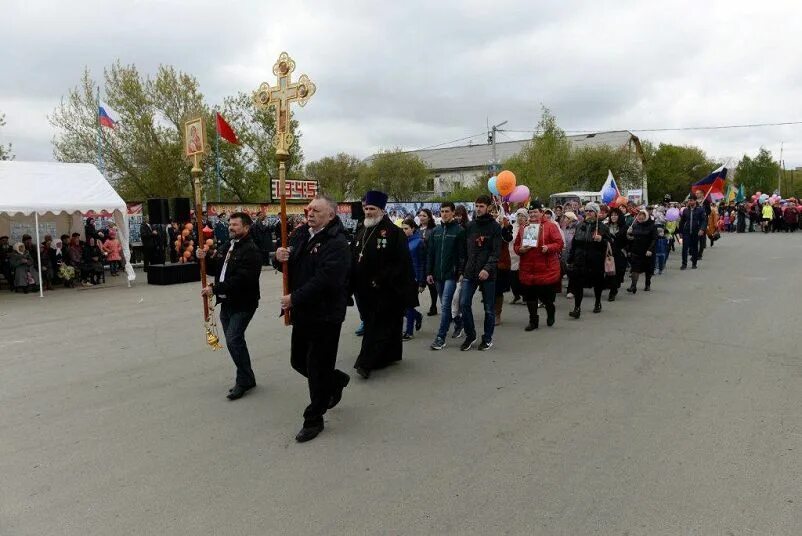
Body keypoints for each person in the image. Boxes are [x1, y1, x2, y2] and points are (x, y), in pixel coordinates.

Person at [274, 195, 352, 443]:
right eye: (309, 209)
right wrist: (278, 258)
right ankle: (336, 380)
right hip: (304, 313)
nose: (310, 213)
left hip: (325, 314)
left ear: (330, 215)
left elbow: (326, 280)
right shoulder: (300, 235)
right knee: (298, 361)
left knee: (317, 368)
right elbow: (289, 266)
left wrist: (294, 298)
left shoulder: (337, 243)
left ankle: (314, 418)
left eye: (317, 211)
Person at [350, 191, 416, 379]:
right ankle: (390, 355)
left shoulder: (394, 233)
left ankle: (365, 363)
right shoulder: (362, 230)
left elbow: (400, 263)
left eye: (372, 209)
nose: (368, 212)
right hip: (363, 289)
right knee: (386, 326)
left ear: (382, 210)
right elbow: (355, 256)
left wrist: (380, 278)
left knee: (375, 326)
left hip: (386, 290)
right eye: (366, 208)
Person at [198, 212, 263, 400]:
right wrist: (203, 257)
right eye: (230, 224)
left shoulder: (251, 250)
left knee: (234, 339)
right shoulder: (228, 246)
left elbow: (242, 280)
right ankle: (248, 377)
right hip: (226, 302)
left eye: (235, 225)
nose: (231, 228)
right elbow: (214, 269)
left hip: (243, 303)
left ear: (246, 227)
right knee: (235, 341)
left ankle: (243, 381)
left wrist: (214, 289)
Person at [459, 195, 502, 351]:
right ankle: (470, 335)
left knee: (489, 309)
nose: (478, 209)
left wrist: (487, 268)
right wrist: (462, 270)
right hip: (470, 272)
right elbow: (465, 251)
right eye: (476, 206)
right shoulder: (470, 226)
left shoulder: (495, 227)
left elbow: (496, 252)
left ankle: (487, 338)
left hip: (487, 274)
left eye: (481, 206)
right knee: (464, 304)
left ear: (488, 207)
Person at [514, 201, 563, 331]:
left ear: (541, 212)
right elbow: (516, 246)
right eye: (530, 212)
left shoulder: (550, 226)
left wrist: (548, 247)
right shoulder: (524, 227)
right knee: (530, 298)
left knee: (546, 298)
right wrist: (521, 249)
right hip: (528, 268)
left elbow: (559, 243)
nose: (533, 214)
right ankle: (533, 321)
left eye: (535, 211)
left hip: (545, 269)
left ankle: (550, 311)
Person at [426, 202, 465, 351]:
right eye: (442, 211)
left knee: (445, 304)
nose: (444, 214)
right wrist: (429, 272)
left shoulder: (459, 231)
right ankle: (459, 322)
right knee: (445, 304)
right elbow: (431, 254)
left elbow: (462, 254)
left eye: (447, 211)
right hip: (437, 274)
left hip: (451, 274)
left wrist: (460, 272)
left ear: (453, 212)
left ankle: (440, 337)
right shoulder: (435, 231)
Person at [566, 202, 610, 318]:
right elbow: (574, 243)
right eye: (586, 211)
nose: (588, 213)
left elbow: (609, 244)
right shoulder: (580, 225)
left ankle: (597, 302)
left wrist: (601, 239)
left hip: (595, 260)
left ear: (596, 213)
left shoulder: (602, 227)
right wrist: (571, 258)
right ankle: (577, 308)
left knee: (597, 283)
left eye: (591, 211)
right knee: (578, 284)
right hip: (580, 259)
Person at [401, 218, 426, 341]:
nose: (404, 231)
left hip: (414, 278)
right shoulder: (401, 241)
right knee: (401, 306)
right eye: (402, 229)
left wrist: (421, 281)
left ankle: (409, 332)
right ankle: (417, 316)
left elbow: (422, 263)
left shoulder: (419, 242)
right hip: (402, 277)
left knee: (409, 305)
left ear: (413, 228)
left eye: (406, 228)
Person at [626, 209, 657, 293]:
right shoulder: (635, 225)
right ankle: (633, 286)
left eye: (642, 217)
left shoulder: (652, 226)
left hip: (647, 251)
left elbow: (654, 239)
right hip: (636, 250)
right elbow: (632, 238)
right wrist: (629, 234)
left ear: (646, 217)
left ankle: (647, 284)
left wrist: (650, 250)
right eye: (639, 216)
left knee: (648, 268)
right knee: (635, 268)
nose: (640, 218)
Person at [417, 208, 438, 317]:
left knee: (431, 286)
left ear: (429, 217)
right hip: (419, 261)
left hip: (430, 260)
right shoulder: (416, 230)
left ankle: (433, 305)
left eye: (424, 216)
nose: (421, 218)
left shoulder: (433, 230)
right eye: (420, 215)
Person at [604, 208, 628, 301]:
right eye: (612, 215)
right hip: (609, 252)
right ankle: (612, 291)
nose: (613, 217)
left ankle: (614, 290)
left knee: (618, 272)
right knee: (610, 272)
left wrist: (629, 236)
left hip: (620, 252)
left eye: (616, 215)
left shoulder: (625, 227)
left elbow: (628, 241)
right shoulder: (606, 226)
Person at [678, 197, 706, 270]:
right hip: (686, 232)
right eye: (689, 201)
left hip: (696, 232)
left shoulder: (700, 210)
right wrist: (680, 232)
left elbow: (704, 220)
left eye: (692, 200)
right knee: (685, 248)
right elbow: (682, 222)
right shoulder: (685, 210)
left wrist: (702, 229)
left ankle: (694, 263)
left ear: (695, 201)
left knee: (694, 248)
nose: (690, 202)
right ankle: (684, 264)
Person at [509, 208, 528, 305]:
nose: (520, 218)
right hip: (512, 255)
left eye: (523, 216)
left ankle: (525, 297)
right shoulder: (512, 227)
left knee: (522, 278)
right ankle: (516, 295)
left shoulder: (529, 227)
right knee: (513, 278)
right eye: (519, 215)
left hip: (524, 255)